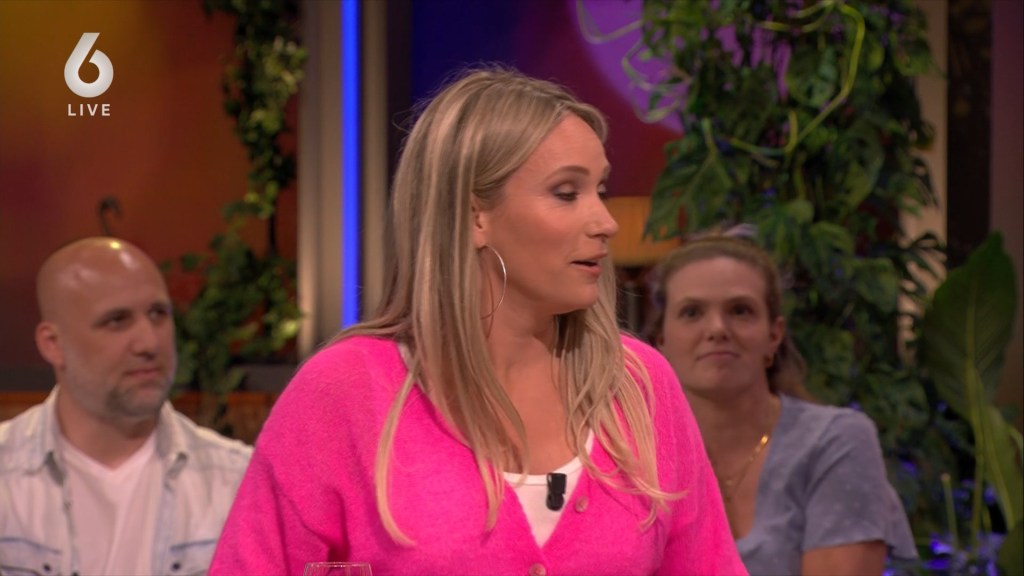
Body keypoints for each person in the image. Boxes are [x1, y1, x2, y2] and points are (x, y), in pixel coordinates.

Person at [210, 67, 746, 575]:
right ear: (474, 216)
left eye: (599, 190)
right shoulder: (345, 392)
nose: (605, 222)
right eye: (566, 193)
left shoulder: (639, 387)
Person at [645, 227, 917, 576]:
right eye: (692, 312)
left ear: (774, 335)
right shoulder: (627, 455)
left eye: (740, 311)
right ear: (661, 340)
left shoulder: (835, 441)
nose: (716, 329)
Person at [0, 237, 252, 576]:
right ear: (53, 344)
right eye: (117, 321)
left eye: (158, 314)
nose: (149, 342)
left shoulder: (237, 483)